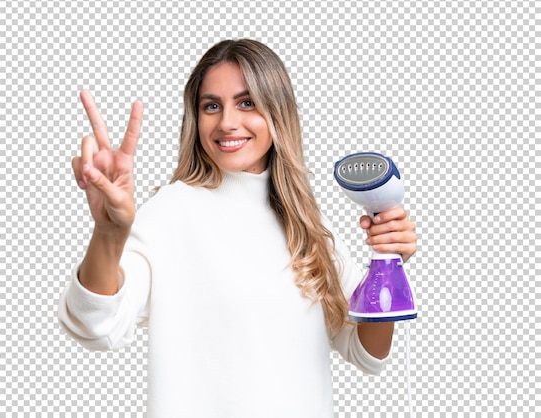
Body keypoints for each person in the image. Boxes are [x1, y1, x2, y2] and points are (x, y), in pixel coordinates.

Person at [59, 39, 417, 417]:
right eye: (211, 106)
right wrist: (108, 234)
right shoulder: (172, 212)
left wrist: (387, 260)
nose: (227, 122)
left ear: (278, 112)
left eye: (246, 102)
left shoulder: (307, 224)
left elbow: (366, 351)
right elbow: (94, 324)